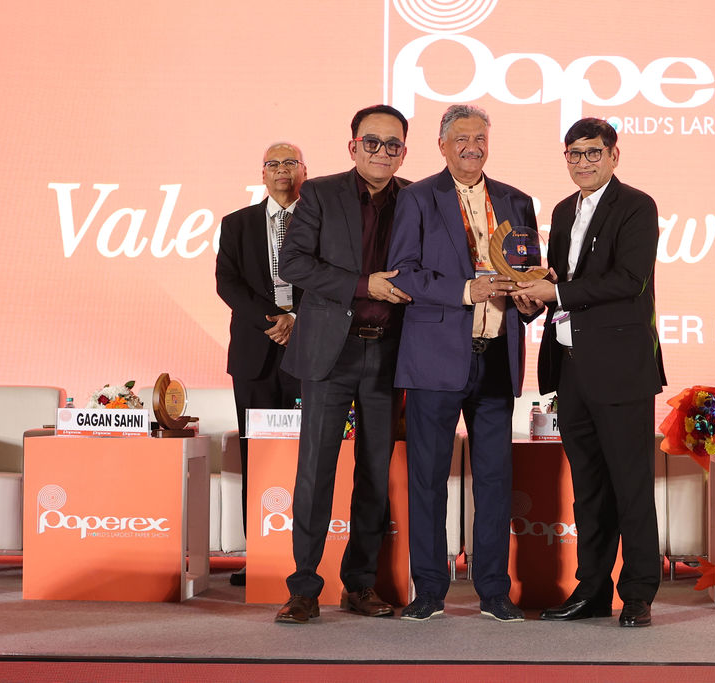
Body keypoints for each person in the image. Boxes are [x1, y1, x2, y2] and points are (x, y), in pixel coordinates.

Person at [387, 104, 537, 622]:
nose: (473, 146)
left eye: (480, 138)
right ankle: (430, 589)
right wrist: (465, 289)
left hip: (497, 354)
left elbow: (527, 275)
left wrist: (532, 299)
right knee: (427, 477)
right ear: (443, 145)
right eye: (463, 139)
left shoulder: (516, 201)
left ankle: (495, 591)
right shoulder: (417, 198)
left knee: (494, 480)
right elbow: (404, 274)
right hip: (435, 359)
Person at [514, 117, 665, 628]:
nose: (583, 162)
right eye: (574, 154)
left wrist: (553, 291)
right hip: (571, 367)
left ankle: (639, 592)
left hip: (621, 369)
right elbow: (559, 282)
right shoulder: (561, 210)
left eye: (593, 153)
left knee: (631, 486)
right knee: (589, 489)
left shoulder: (637, 206)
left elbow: (629, 279)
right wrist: (528, 291)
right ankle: (592, 590)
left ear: (614, 156)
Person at [273, 105, 413, 624]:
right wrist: (364, 285)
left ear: (404, 150)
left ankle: (359, 586)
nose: (381, 152)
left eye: (392, 144)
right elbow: (294, 264)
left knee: (375, 472)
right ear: (352, 146)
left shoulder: (417, 198)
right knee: (316, 471)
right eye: (371, 142)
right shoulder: (321, 192)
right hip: (329, 353)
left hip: (390, 354)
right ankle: (304, 589)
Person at [216, 142, 306, 587]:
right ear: (262, 173)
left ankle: (309, 556)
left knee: (309, 456)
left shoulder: (320, 218)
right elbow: (226, 282)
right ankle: (261, 555)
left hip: (308, 352)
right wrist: (273, 320)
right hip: (255, 354)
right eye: (274, 163)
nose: (282, 170)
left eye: (290, 162)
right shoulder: (237, 223)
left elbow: (332, 278)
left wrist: (297, 320)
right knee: (258, 456)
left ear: (303, 171)